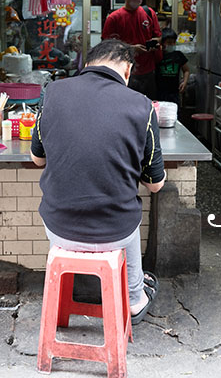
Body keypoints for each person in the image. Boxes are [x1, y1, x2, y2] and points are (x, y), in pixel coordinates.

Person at [30, 39, 166, 324]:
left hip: (59, 229)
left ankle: (127, 289)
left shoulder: (52, 92)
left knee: (112, 212)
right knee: (125, 213)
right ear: (127, 71)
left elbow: (37, 159)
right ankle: (134, 297)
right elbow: (155, 184)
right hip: (115, 232)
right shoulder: (142, 106)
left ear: (88, 63)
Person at [101, 0, 162, 98]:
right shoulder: (114, 18)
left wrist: (154, 43)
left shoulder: (149, 13)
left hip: (148, 71)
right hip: (124, 71)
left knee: (149, 105)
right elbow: (106, 46)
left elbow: (158, 36)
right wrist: (131, 49)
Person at [155, 28, 191, 105]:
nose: (172, 45)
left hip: (174, 92)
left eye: (173, 42)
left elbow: (186, 70)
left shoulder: (179, 55)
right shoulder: (158, 55)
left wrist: (184, 82)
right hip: (159, 92)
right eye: (169, 43)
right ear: (162, 43)